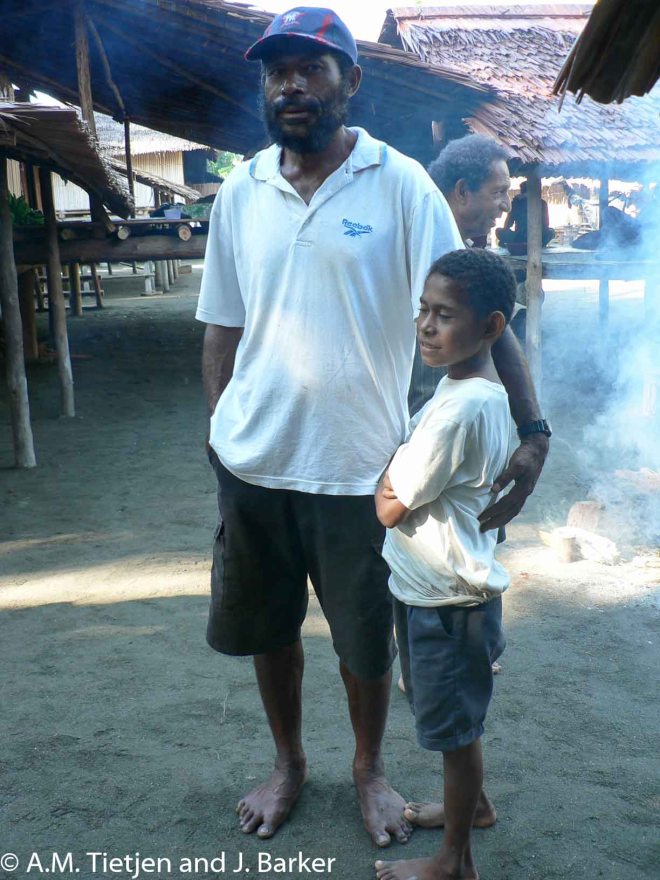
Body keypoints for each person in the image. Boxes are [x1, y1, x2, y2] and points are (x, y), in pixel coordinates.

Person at [196, 7, 549, 847]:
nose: (291, 85)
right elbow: (221, 327)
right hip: (253, 464)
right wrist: (219, 433)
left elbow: (484, 301)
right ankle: (288, 763)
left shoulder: (400, 185)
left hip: (362, 468)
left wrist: (533, 431)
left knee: (364, 640)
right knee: (269, 630)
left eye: (311, 69)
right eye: (277, 71)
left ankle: (368, 769)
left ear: (350, 82)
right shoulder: (241, 191)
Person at [374, 249, 516, 880]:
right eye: (423, 311)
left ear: (490, 327)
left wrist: (388, 474)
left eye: (445, 315)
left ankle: (453, 862)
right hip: (434, 589)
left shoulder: (459, 411)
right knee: (452, 715)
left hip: (448, 602)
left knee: (456, 735)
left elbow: (389, 506)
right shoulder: (471, 390)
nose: (426, 327)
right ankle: (473, 807)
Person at [410, 134, 512, 417]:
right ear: (463, 191)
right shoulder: (432, 254)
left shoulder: (459, 251)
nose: (507, 205)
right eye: (498, 192)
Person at [496, 180, 555, 250]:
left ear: (522, 191)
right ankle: (539, 244)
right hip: (537, 238)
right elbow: (546, 224)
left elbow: (507, 224)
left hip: (519, 238)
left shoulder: (517, 203)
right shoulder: (542, 203)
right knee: (551, 232)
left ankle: (518, 243)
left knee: (499, 231)